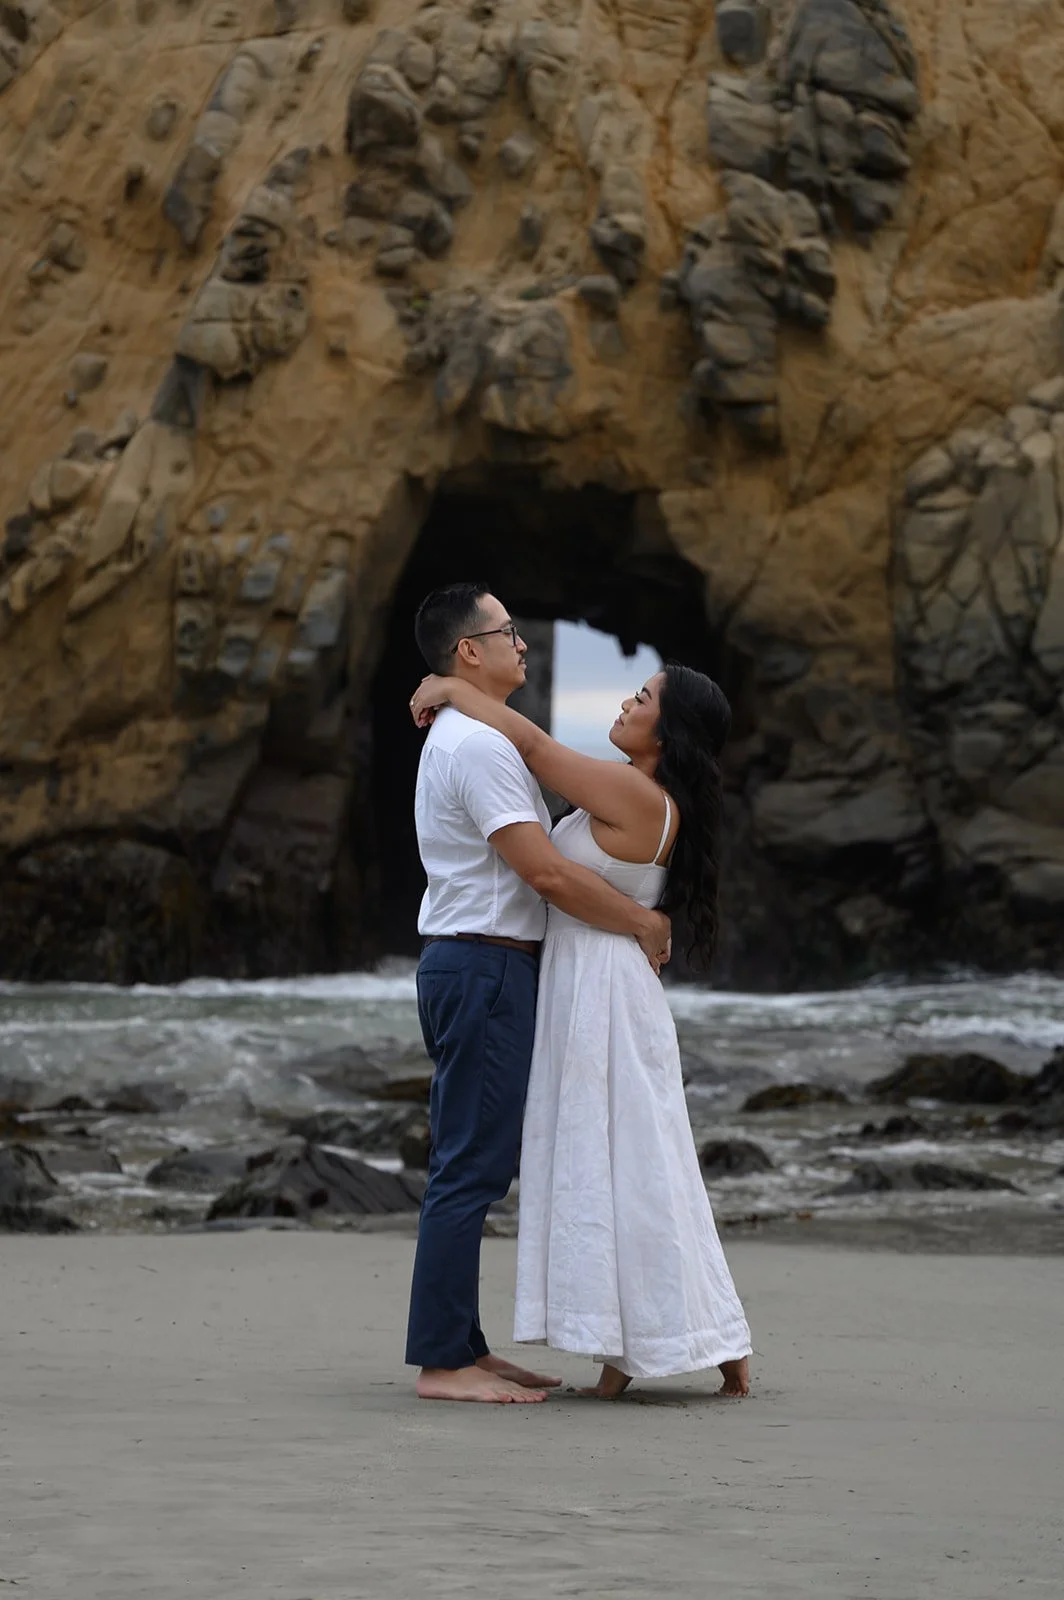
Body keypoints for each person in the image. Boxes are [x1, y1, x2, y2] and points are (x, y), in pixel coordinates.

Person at [410, 654, 752, 1399]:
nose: (628, 703)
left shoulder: (633, 788)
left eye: (644, 697)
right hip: (589, 982)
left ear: (671, 729)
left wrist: (452, 689)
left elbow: (533, 751)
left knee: (623, 1158)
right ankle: (714, 1339)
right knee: (638, 1156)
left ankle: (637, 1349)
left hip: (598, 986)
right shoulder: (639, 789)